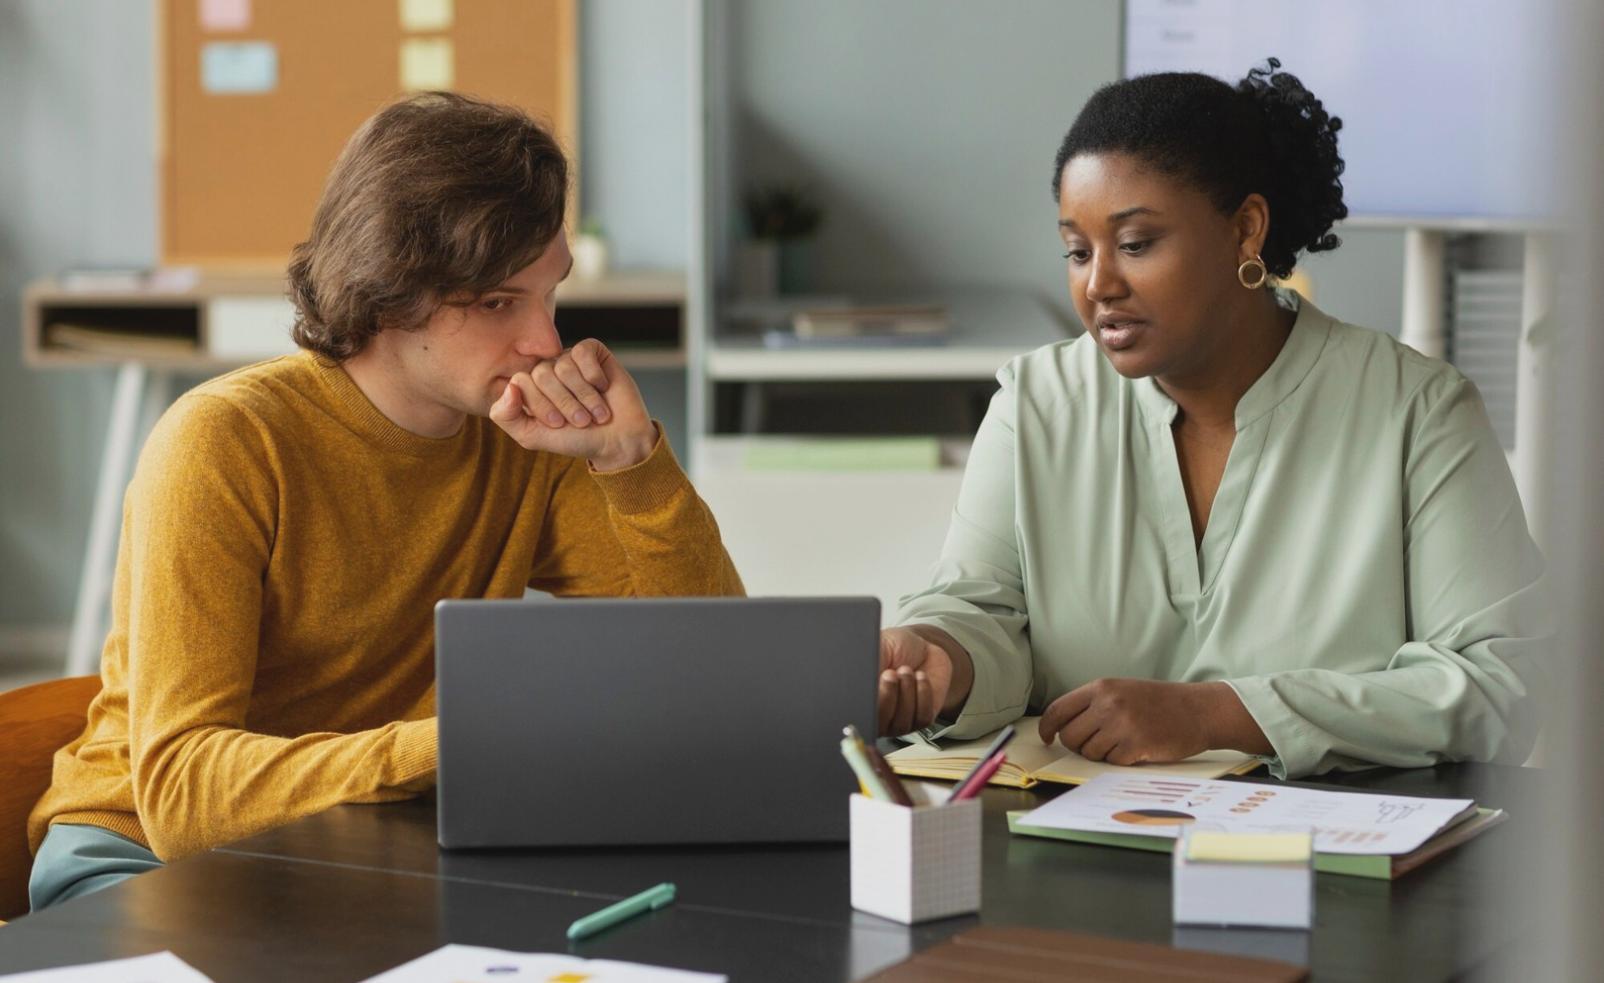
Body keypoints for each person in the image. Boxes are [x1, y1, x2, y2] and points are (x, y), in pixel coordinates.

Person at [27, 92, 744, 910]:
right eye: (499, 303)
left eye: (550, 295)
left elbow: (712, 674)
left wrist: (631, 462)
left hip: (363, 847)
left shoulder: (528, 441)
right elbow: (183, 795)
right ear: (391, 291)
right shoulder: (223, 442)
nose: (547, 342)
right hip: (144, 861)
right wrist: (455, 747)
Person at [875, 60, 1546, 779]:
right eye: (1077, 250)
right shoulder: (1036, 402)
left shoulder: (1417, 411)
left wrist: (1216, 713)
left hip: (1333, 864)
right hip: (1072, 858)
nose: (1098, 283)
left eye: (1134, 244)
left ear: (1245, 231)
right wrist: (942, 657)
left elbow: (1498, 684)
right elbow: (982, 610)